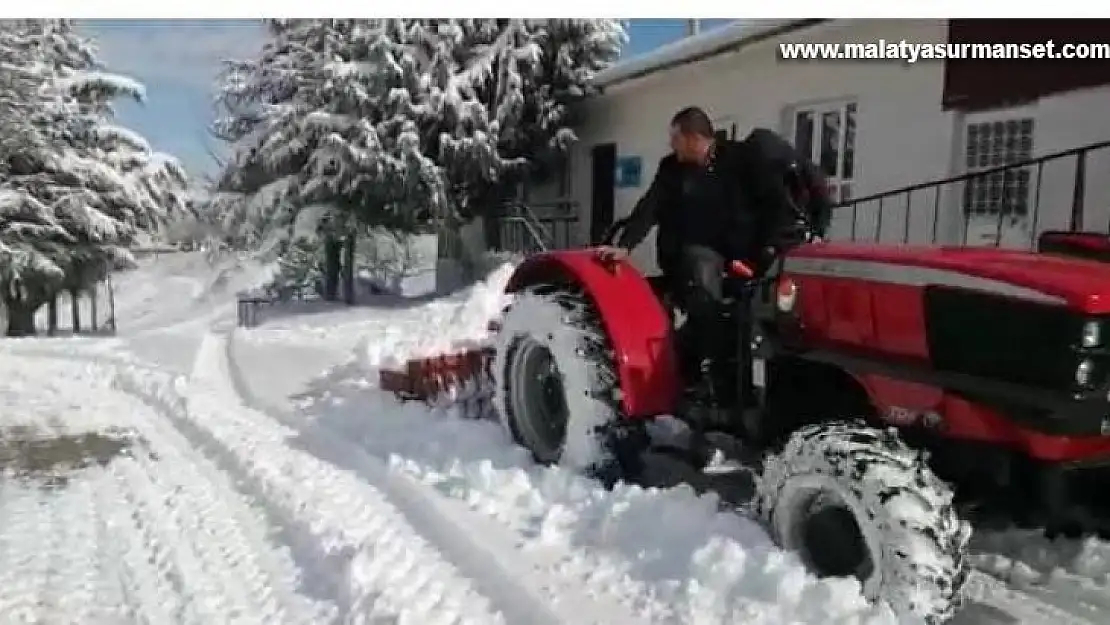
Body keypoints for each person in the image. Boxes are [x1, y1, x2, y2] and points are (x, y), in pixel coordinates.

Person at [598, 106, 832, 405]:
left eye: (676, 138)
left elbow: (772, 204)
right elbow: (649, 207)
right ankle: (715, 374)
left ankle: (765, 380)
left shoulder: (739, 159)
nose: (672, 145)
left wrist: (770, 250)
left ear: (694, 138)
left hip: (743, 255)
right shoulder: (671, 169)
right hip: (693, 256)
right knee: (702, 276)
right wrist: (626, 245)